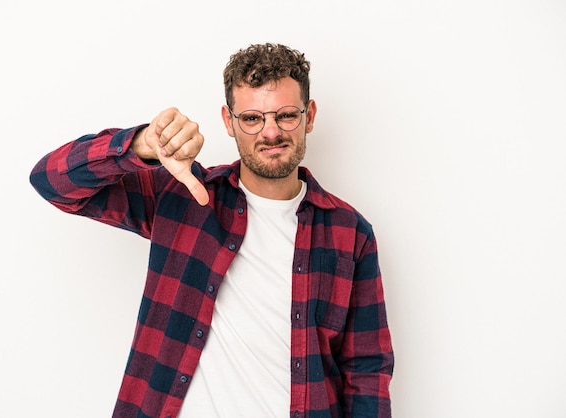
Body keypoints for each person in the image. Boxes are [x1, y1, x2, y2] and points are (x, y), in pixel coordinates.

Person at [30, 42, 394, 418]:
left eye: (286, 115)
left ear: (310, 115)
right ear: (228, 120)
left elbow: (366, 370)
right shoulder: (184, 196)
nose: (271, 132)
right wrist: (141, 145)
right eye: (252, 118)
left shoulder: (350, 233)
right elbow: (51, 181)